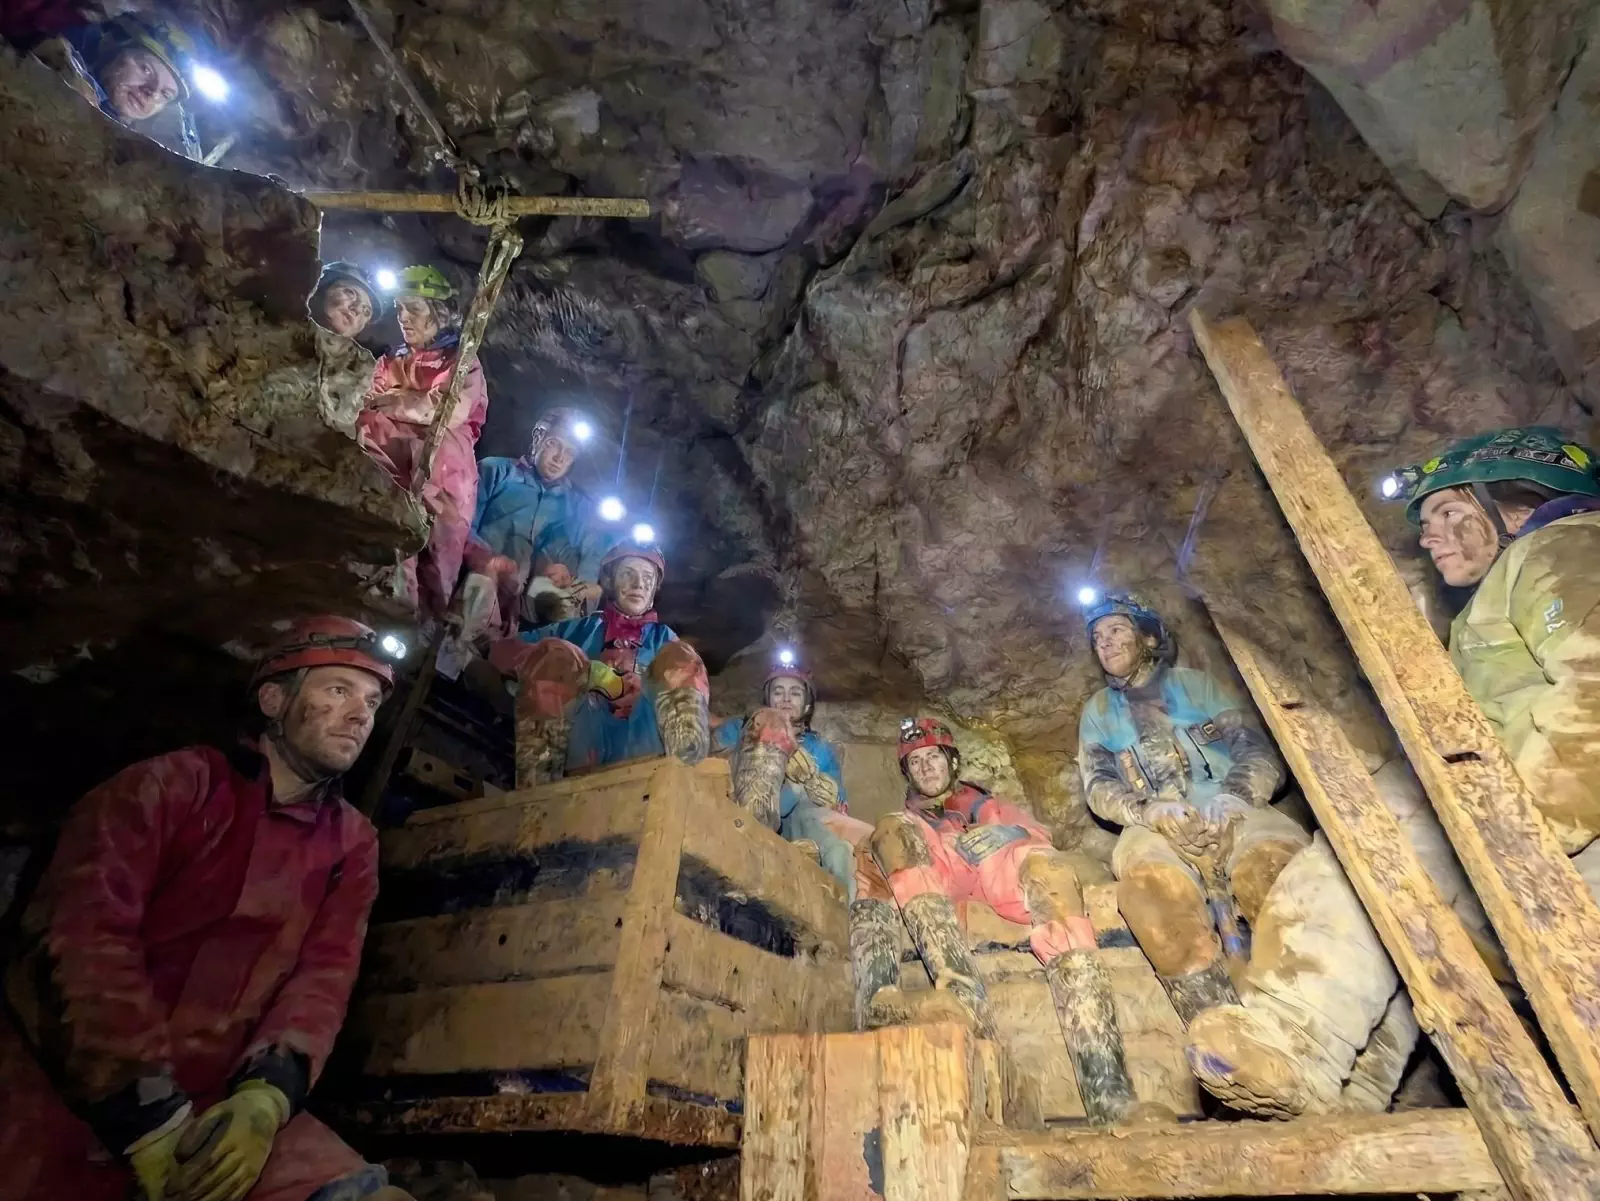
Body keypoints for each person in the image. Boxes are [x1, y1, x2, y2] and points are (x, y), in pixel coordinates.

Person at [0, 617, 417, 1201]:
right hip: (72, 1093)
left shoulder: (353, 843)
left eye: (371, 701)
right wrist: (147, 1119)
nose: (360, 715)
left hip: (222, 1106)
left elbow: (324, 977)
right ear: (274, 700)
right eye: (338, 690)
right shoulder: (172, 786)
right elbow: (78, 938)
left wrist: (266, 1099)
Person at [1078, 592, 1414, 1118]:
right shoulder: (1098, 712)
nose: (1107, 644)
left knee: (1276, 873)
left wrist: (1237, 797)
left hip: (1234, 807)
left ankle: (1314, 1043)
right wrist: (1149, 811)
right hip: (1156, 822)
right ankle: (1225, 1055)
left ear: (1147, 637)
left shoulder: (1199, 687)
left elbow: (1255, 749)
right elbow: (1098, 785)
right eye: (1098, 638)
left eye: (1118, 631)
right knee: (1150, 896)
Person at [863, 717, 1158, 1126]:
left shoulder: (985, 804)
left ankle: (1108, 1091)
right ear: (907, 772)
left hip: (992, 863)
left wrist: (1006, 833)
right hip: (937, 867)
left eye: (933, 757)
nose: (926, 767)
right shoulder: (908, 823)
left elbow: (1038, 834)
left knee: (1047, 871)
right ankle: (962, 998)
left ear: (951, 761)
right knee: (891, 830)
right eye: (915, 762)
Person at [1389, 425, 1600, 892]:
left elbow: (1593, 697)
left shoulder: (1566, 545)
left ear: (1517, 506)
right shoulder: (1506, 584)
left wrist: (1515, 834)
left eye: (1448, 512)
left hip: (1566, 832)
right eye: (1426, 527)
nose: (1429, 538)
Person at [486, 543, 709, 785]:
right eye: (628, 574)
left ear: (655, 588)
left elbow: (689, 688)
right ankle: (537, 789)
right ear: (611, 581)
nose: (638, 584)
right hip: (582, 737)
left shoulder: (663, 640)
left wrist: (644, 687)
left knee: (681, 657)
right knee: (555, 653)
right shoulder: (580, 629)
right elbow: (503, 650)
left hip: (641, 743)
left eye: (647, 577)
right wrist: (585, 672)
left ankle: (684, 776)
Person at [356, 265, 488, 623]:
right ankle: (396, 602)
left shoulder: (461, 361)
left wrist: (401, 402)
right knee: (393, 525)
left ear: (437, 311)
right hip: (396, 462)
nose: (403, 317)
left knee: (439, 552)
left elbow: (448, 409)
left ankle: (430, 628)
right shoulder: (392, 360)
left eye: (413, 307)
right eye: (400, 308)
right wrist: (410, 401)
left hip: (445, 467)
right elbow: (368, 402)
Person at [712, 657, 872, 897]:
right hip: (737, 814)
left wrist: (810, 782)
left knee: (840, 851)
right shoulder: (738, 729)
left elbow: (835, 804)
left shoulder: (819, 749)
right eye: (778, 691)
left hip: (796, 822)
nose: (786, 698)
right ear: (767, 699)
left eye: (795, 693)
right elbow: (709, 766)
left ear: (807, 705)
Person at [465, 407, 608, 635]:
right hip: (477, 586)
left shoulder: (578, 507)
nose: (560, 457)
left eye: (570, 453)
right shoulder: (496, 471)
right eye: (555, 444)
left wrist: (567, 577)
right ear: (537, 436)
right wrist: (484, 559)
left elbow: (590, 561)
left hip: (530, 612)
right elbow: (461, 526)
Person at [20, 14, 197, 143]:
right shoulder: (56, 41)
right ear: (114, 45)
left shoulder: (130, 154)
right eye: (146, 70)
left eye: (165, 94)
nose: (151, 92)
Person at [308, 261, 382, 341]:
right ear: (320, 290)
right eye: (350, 293)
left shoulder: (358, 353)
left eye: (367, 312)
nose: (357, 309)